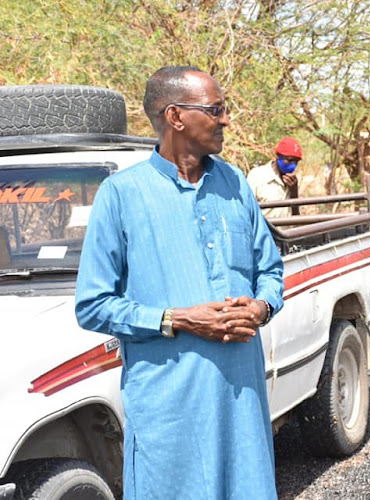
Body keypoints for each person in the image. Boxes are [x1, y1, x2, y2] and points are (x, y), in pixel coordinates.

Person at [75, 66, 284, 499]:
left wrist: (261, 307)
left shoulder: (235, 184)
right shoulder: (121, 194)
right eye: (216, 109)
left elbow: (271, 271)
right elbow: (93, 305)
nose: (225, 120)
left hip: (241, 400)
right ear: (175, 116)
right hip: (170, 410)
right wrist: (178, 319)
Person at [247, 136, 303, 218]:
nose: (293, 165)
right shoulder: (257, 176)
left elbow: (297, 218)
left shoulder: (294, 181)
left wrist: (294, 193)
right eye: (289, 160)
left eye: (296, 161)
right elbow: (246, 210)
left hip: (286, 231)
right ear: (278, 156)